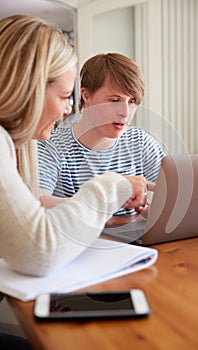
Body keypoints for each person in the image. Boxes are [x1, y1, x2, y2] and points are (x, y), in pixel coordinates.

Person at [0, 15, 149, 278]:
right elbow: (39, 251)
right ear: (29, 90)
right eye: (63, 96)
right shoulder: (43, 146)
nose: (68, 108)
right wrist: (113, 187)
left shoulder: (16, 146)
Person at [38, 53, 165, 215]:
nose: (125, 113)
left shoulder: (140, 142)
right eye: (114, 100)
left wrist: (153, 212)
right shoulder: (52, 144)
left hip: (131, 238)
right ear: (86, 95)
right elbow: (39, 202)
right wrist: (106, 198)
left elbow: (175, 192)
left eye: (131, 102)